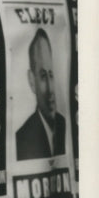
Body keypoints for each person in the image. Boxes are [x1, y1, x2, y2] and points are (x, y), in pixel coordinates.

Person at [15, 28, 66, 160]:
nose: (50, 89)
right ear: (32, 81)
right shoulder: (21, 140)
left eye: (51, 75)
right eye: (43, 76)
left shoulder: (67, 127)